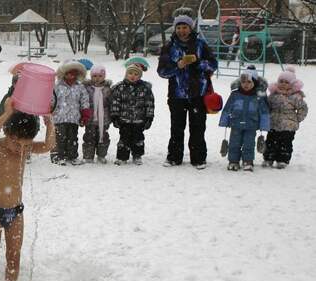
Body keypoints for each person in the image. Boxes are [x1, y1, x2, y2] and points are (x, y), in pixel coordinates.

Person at [0, 98, 55, 281]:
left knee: (14, 257)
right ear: (7, 133)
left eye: (25, 145)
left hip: (16, 212)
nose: (21, 149)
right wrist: (6, 114)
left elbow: (48, 146)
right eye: (16, 143)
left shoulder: (25, 148)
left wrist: (49, 123)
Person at [158, 14, 218, 169]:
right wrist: (177, 66)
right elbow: (162, 72)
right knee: (176, 127)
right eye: (178, 27)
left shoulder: (200, 45)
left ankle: (198, 158)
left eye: (184, 27)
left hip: (198, 94)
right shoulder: (169, 47)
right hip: (176, 95)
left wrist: (198, 63)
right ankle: (174, 157)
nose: (181, 30)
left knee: (198, 127)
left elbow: (213, 65)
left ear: (190, 28)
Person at [219, 70, 270, 171]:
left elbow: (264, 111)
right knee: (234, 143)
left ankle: (248, 161)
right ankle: (233, 161)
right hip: (236, 123)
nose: (246, 84)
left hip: (251, 125)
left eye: (249, 82)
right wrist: (224, 121)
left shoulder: (258, 96)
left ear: (254, 83)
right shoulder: (235, 95)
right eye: (243, 82)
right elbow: (227, 108)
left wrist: (264, 125)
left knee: (249, 144)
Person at [262, 67, 308, 169]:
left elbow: (303, 109)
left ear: (292, 84)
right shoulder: (274, 95)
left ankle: (282, 159)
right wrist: (267, 116)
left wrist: (296, 119)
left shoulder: (296, 96)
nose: (283, 84)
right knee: (270, 142)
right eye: (281, 81)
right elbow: (267, 106)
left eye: (286, 82)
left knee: (285, 143)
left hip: (289, 126)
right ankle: (268, 158)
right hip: (273, 124)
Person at [110, 63, 155, 165]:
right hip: (124, 119)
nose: (133, 76)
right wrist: (115, 116)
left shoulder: (145, 88)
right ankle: (122, 157)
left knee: (138, 138)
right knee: (124, 138)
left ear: (140, 76)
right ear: (126, 74)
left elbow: (149, 103)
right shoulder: (120, 87)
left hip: (139, 119)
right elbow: (115, 102)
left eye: (136, 74)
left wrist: (149, 117)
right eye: (130, 73)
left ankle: (137, 155)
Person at [51, 60, 91, 166]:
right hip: (59, 117)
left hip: (74, 118)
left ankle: (72, 156)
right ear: (64, 73)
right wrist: (49, 109)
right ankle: (58, 156)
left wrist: (85, 114)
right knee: (60, 138)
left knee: (73, 138)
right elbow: (52, 99)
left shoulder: (80, 87)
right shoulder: (57, 87)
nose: (71, 75)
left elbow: (84, 101)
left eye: (74, 73)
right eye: (69, 73)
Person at [82, 65, 112, 164]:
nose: (97, 78)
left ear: (104, 77)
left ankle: (101, 155)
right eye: (94, 76)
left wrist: (111, 115)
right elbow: (83, 101)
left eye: (100, 76)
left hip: (103, 118)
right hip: (90, 118)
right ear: (91, 76)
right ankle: (88, 156)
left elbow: (111, 103)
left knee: (103, 137)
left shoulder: (108, 89)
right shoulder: (87, 88)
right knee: (89, 137)